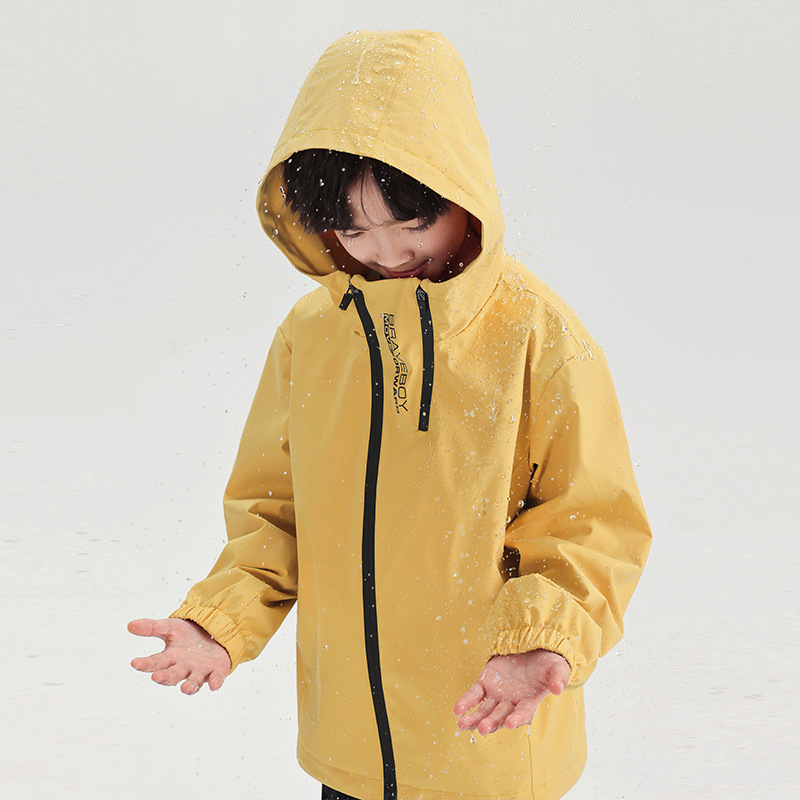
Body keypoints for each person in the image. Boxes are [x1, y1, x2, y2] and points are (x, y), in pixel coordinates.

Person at [129, 30, 651, 800]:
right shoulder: (313, 335)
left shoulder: (538, 337)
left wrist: (541, 638)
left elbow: (592, 522)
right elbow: (275, 513)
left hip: (491, 733)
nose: (388, 253)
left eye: (412, 223)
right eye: (352, 229)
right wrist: (221, 621)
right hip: (352, 750)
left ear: (463, 191)